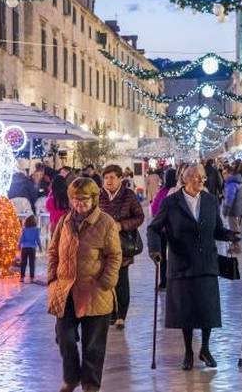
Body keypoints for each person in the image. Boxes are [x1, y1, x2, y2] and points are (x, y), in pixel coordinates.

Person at [147, 164, 239, 370]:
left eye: (203, 178)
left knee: (208, 309)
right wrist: (155, 250)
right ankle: (188, 351)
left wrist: (228, 235)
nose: (200, 181)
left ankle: (205, 349)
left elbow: (216, 228)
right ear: (184, 179)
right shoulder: (171, 202)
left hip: (206, 262)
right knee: (186, 311)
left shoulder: (209, 200)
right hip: (182, 264)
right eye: (196, 178)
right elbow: (153, 228)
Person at [48, 177, 122, 392]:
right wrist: (53, 277)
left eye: (83, 199)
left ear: (94, 199)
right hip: (66, 290)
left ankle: (90, 384)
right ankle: (71, 378)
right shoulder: (65, 222)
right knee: (65, 338)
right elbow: (53, 251)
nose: (79, 204)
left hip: (95, 291)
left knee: (93, 345)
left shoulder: (105, 223)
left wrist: (106, 281)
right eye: (75, 199)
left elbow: (114, 256)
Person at [99, 164, 144, 330]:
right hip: (102, 246)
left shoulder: (128, 195)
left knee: (121, 280)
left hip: (122, 245)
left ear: (120, 179)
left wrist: (122, 225)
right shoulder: (98, 195)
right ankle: (109, 313)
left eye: (112, 177)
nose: (109, 181)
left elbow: (140, 217)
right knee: (105, 280)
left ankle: (121, 316)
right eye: (106, 178)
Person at [150, 167, 177, 289]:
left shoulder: (162, 191)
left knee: (163, 256)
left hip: (162, 228)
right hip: (175, 229)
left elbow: (154, 208)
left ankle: (164, 281)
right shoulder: (178, 191)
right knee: (175, 254)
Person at [221, 164, 242, 253]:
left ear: (229, 173)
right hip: (237, 209)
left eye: (224, 173)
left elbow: (229, 199)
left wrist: (225, 210)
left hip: (233, 210)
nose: (223, 176)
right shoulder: (236, 181)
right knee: (235, 227)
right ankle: (235, 245)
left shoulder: (231, 184)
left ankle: (236, 247)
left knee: (234, 229)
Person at [46, 171, 71, 237]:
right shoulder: (69, 199)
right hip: (67, 226)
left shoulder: (51, 200)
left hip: (54, 226)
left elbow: (47, 207)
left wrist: (51, 192)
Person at [19, 214, 42, 283]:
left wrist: (19, 245)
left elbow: (22, 238)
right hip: (32, 248)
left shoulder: (24, 229)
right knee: (32, 263)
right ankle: (31, 278)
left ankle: (22, 278)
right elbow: (37, 239)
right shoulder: (36, 230)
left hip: (25, 248)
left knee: (23, 263)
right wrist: (40, 247)